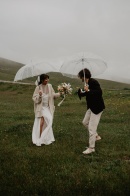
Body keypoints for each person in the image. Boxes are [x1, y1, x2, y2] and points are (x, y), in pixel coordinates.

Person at [78, 68, 105, 154]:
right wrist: (80, 92)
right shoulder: (87, 83)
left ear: (84, 76)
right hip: (91, 107)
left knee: (91, 128)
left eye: (80, 77)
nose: (80, 78)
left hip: (97, 108)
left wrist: (88, 90)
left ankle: (91, 148)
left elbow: (99, 93)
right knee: (85, 122)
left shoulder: (93, 82)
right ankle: (96, 136)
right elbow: (86, 93)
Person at [32, 74, 60, 146]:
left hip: (48, 108)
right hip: (41, 108)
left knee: (49, 120)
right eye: (45, 79)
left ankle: (46, 138)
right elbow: (35, 99)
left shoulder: (50, 86)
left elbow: (53, 95)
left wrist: (60, 93)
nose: (47, 80)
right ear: (41, 80)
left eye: (47, 79)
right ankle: (40, 139)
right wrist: (40, 95)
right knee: (41, 123)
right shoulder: (38, 88)